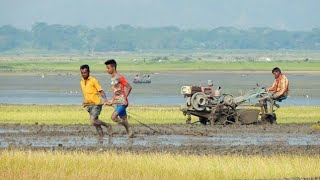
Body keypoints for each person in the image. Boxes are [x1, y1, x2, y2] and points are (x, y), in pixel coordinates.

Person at [80, 64, 112, 138]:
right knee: (96, 124)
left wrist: (105, 100)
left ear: (88, 72)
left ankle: (107, 125)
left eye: (85, 73)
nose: (83, 74)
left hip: (96, 104)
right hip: (88, 105)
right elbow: (86, 93)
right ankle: (101, 137)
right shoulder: (81, 82)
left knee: (93, 121)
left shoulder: (94, 80)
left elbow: (101, 91)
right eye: (82, 73)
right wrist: (85, 102)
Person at [104, 59, 134, 138]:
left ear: (113, 67)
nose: (107, 70)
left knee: (113, 117)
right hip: (117, 101)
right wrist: (111, 100)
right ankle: (131, 135)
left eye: (108, 68)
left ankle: (129, 127)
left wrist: (124, 98)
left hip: (122, 102)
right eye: (106, 68)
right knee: (124, 119)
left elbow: (129, 87)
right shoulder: (112, 78)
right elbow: (116, 92)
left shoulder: (119, 77)